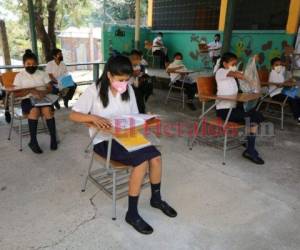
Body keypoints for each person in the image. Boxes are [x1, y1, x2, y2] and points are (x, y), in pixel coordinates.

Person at [69, 55, 177, 235]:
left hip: (127, 136)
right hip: (104, 140)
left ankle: (156, 199)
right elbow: (74, 115)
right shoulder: (94, 91)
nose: (124, 83)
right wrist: (93, 117)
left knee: (156, 158)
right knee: (141, 162)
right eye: (120, 80)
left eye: (127, 80)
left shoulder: (128, 90)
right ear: (109, 75)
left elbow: (134, 116)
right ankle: (132, 213)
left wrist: (146, 118)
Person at [215, 52, 264, 164]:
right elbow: (242, 75)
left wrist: (253, 63)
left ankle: (248, 143)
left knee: (255, 115)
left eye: (236, 64)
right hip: (224, 111)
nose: (235, 65)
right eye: (233, 63)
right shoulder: (221, 72)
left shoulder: (232, 75)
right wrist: (251, 62)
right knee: (254, 118)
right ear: (224, 63)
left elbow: (243, 75)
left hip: (233, 108)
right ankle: (250, 150)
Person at [13, 49, 58, 154]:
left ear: (37, 64)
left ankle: (53, 138)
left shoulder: (42, 74)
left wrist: (44, 92)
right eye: (28, 64)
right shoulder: (19, 76)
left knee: (47, 110)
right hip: (27, 100)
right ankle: (33, 141)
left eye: (33, 64)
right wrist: (30, 90)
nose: (31, 66)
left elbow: (50, 88)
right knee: (34, 111)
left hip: (43, 98)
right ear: (24, 64)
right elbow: (16, 94)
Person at [269, 57, 300, 124]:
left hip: (282, 92)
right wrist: (288, 83)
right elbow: (279, 85)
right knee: (292, 99)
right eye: (276, 65)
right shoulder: (272, 73)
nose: (278, 66)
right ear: (272, 66)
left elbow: (282, 82)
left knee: (297, 98)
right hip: (275, 94)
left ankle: (298, 114)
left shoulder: (279, 73)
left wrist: (288, 81)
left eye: (280, 64)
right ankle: (298, 117)